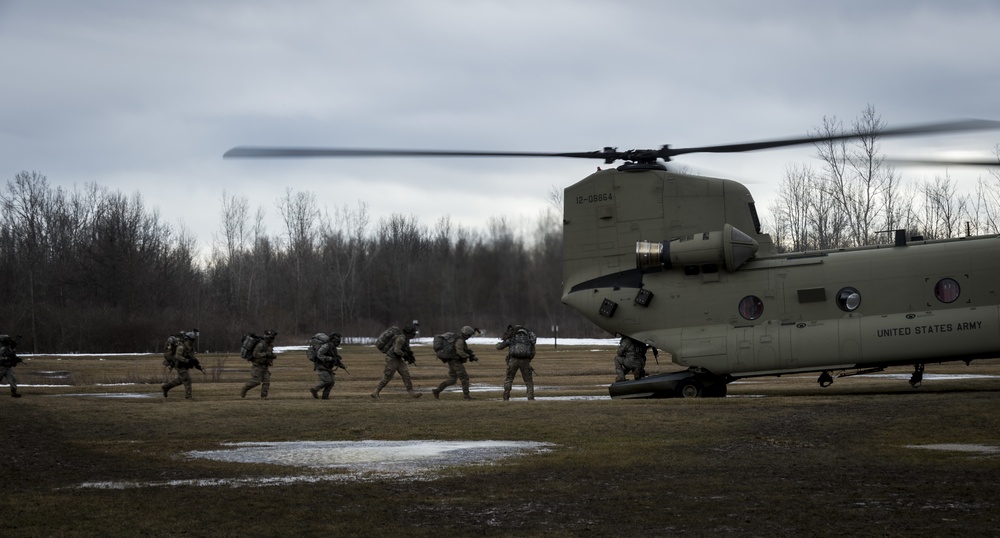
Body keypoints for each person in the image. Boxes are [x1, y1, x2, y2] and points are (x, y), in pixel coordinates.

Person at [371, 324, 421, 399]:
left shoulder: (406, 339)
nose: (413, 336)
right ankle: (376, 392)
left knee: (406, 375)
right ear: (409, 333)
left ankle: (411, 393)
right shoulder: (401, 339)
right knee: (387, 377)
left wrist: (409, 356)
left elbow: (404, 349)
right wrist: (404, 355)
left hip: (398, 359)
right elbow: (397, 350)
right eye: (413, 334)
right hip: (392, 359)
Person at [432, 325, 478, 400]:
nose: (469, 337)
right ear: (467, 334)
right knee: (464, 377)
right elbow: (459, 351)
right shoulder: (460, 340)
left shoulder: (457, 338)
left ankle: (437, 390)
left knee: (452, 379)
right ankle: (466, 396)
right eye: (469, 335)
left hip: (451, 360)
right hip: (455, 361)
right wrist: (468, 356)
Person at [496, 324, 536, 401]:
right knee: (528, 380)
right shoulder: (528, 337)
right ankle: (530, 397)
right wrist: (529, 359)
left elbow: (499, 347)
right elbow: (533, 351)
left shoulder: (512, 337)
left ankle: (506, 395)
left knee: (509, 378)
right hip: (525, 361)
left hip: (513, 360)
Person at [162, 330, 201, 399]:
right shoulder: (181, 347)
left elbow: (192, 356)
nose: (193, 341)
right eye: (192, 340)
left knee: (181, 380)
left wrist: (196, 364)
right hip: (179, 365)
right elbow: (178, 356)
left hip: (184, 365)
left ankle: (166, 387)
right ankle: (188, 397)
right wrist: (188, 361)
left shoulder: (189, 347)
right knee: (187, 380)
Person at [241, 330, 277, 399]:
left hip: (265, 365)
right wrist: (266, 354)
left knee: (266, 381)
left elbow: (270, 354)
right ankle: (245, 388)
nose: (272, 340)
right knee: (256, 381)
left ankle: (264, 396)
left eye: (273, 338)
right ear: (267, 338)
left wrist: (272, 356)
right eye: (271, 338)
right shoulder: (260, 345)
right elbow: (255, 354)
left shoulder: (270, 346)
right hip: (257, 366)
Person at [310, 332, 346, 400]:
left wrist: (341, 365)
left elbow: (334, 358)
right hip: (321, 366)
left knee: (331, 382)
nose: (338, 342)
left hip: (328, 367)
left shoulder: (333, 347)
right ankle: (314, 389)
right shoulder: (326, 346)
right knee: (327, 381)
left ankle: (325, 396)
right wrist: (329, 359)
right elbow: (319, 355)